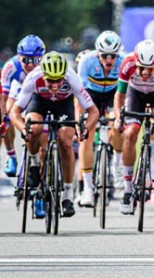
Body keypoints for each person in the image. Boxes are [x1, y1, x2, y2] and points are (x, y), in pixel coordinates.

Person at [10, 51, 99, 217]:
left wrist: (85, 128)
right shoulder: (33, 78)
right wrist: (23, 128)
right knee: (34, 129)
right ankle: (35, 164)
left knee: (66, 142)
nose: (55, 85)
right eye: (50, 80)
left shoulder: (72, 79)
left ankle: (67, 196)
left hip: (64, 104)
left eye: (58, 80)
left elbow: (93, 111)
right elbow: (15, 111)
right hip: (40, 101)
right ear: (43, 74)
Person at [114, 39, 154, 215]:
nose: (143, 72)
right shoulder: (127, 63)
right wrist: (119, 115)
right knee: (131, 133)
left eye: (149, 68)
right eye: (140, 67)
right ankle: (127, 191)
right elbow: (119, 95)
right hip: (135, 95)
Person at [76, 30, 124, 207]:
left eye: (113, 56)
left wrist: (120, 116)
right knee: (86, 136)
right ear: (98, 53)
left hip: (113, 94)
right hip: (91, 96)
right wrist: (80, 122)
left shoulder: (124, 61)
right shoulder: (86, 61)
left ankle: (116, 165)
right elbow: (80, 94)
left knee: (119, 124)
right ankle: (87, 188)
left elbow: (125, 93)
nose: (109, 60)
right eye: (105, 56)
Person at [1, 35, 46, 177]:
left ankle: (41, 175)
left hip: (38, 94)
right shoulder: (11, 67)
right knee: (6, 116)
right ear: (19, 57)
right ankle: (11, 157)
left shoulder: (47, 66)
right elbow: (4, 97)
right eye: (26, 59)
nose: (31, 64)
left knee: (41, 129)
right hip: (19, 92)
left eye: (35, 59)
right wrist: (4, 119)